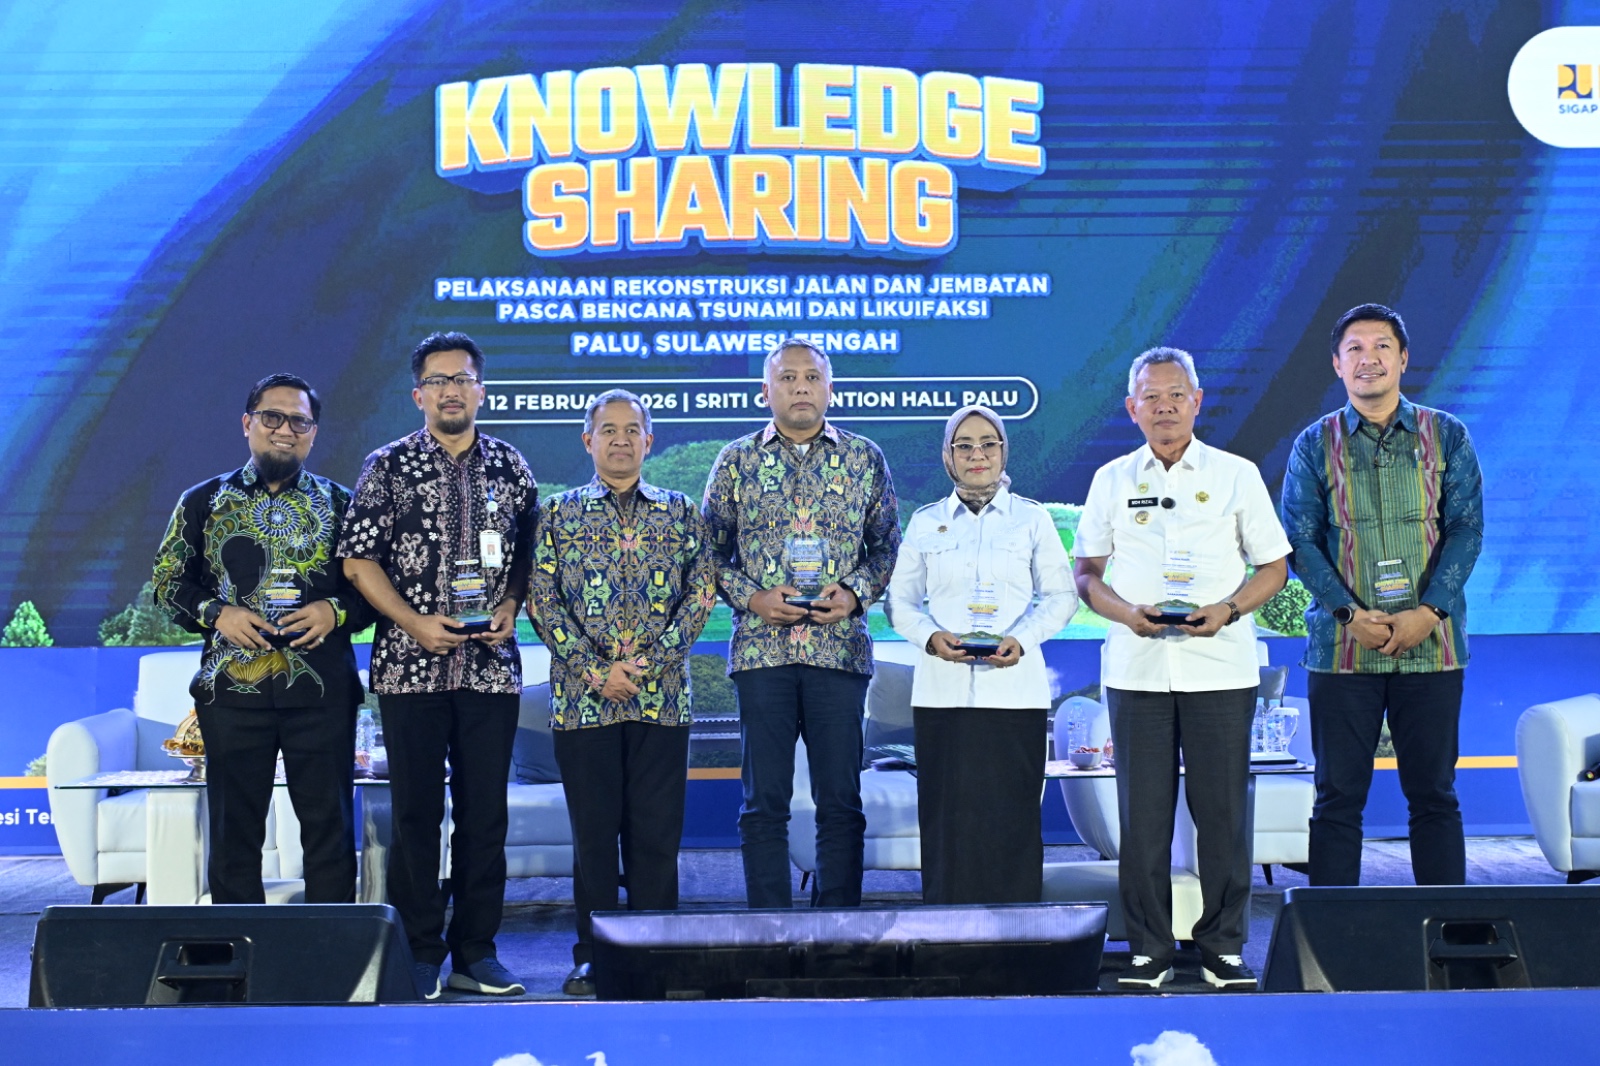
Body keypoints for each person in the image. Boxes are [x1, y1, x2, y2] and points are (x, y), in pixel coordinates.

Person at [1074, 346, 1291, 990]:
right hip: (1137, 668)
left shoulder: (1236, 474)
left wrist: (1229, 608)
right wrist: (1125, 613)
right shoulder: (1111, 479)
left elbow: (1274, 567)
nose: (1164, 407)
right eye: (1152, 397)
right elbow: (1087, 574)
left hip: (1219, 667)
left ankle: (1223, 947)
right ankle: (1149, 948)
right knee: (1142, 820)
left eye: (1176, 395)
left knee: (1222, 816)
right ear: (1132, 408)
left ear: (1197, 402)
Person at [338, 332, 537, 1000]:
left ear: (481, 390)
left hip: (490, 670)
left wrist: (510, 603)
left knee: (485, 817)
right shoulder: (387, 465)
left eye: (462, 379)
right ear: (418, 394)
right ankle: (419, 953)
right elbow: (358, 561)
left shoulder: (510, 466)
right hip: (409, 669)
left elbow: (529, 555)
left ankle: (476, 953)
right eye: (438, 380)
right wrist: (413, 621)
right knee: (416, 817)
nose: (451, 391)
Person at [1281, 303, 1483, 888]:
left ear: (1403, 359)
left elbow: (1466, 529)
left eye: (1381, 347)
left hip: (1433, 647)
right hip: (1344, 651)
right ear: (1337, 365)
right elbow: (1300, 541)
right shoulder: (1313, 444)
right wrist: (1348, 615)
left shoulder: (1447, 434)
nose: (1368, 359)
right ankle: (1331, 934)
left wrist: (1429, 611)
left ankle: (1448, 928)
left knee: (1435, 795)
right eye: (1355, 349)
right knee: (1336, 798)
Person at [152, 373, 372, 906]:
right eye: (272, 417)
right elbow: (166, 582)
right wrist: (216, 613)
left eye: (299, 421)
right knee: (234, 834)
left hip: (321, 692)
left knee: (329, 829)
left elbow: (377, 590)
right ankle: (238, 947)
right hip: (231, 693)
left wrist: (337, 610)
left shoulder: (343, 506)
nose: (284, 429)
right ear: (247, 423)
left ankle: (331, 947)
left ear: (313, 434)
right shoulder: (203, 501)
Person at [528, 389, 717, 997]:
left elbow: (700, 596)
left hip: (662, 701)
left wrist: (646, 665)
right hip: (582, 703)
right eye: (608, 430)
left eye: (632, 430)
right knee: (594, 837)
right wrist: (595, 671)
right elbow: (542, 601)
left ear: (649, 441)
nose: (620, 440)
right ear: (588, 441)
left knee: (656, 836)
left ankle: (657, 954)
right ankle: (596, 957)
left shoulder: (681, 512)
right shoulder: (558, 514)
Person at [703, 338, 901, 909]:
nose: (800, 388)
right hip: (761, 654)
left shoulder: (864, 458)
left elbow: (888, 546)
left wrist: (855, 594)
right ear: (765, 391)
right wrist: (754, 598)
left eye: (812, 377)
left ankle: (838, 928)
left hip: (839, 654)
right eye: (787, 378)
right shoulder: (736, 460)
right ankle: (769, 930)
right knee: (763, 803)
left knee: (840, 801)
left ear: (830, 388)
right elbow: (707, 552)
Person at [884, 405, 1077, 904]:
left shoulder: (1032, 519)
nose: (977, 454)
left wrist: (1023, 639)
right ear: (948, 455)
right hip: (941, 696)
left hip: (1015, 695)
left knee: (1012, 822)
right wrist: (932, 638)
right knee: (946, 823)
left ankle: (1016, 938)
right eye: (964, 445)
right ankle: (947, 936)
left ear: (1003, 452)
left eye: (988, 443)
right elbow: (899, 603)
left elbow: (1062, 596)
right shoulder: (926, 522)